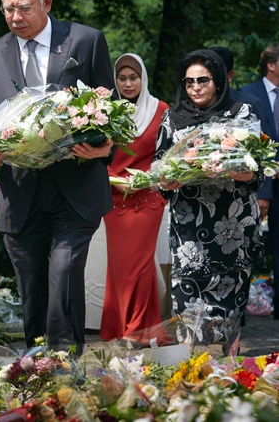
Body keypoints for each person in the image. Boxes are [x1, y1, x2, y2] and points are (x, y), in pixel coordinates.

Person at [0, 0, 115, 353]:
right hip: (20, 194)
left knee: (64, 277)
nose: (14, 18)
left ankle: (66, 366)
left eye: (23, 8)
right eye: (7, 10)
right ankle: (37, 368)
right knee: (32, 291)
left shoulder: (85, 42)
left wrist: (106, 148)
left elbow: (113, 114)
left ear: (46, 3)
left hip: (76, 188)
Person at [156, 49, 265, 354]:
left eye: (202, 80)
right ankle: (188, 361)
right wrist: (166, 181)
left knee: (232, 291)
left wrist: (244, 172)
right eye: (189, 82)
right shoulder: (172, 117)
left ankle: (231, 360)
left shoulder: (241, 112)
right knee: (187, 291)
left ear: (218, 80)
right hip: (188, 223)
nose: (195, 88)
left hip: (233, 221)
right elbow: (159, 169)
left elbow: (258, 169)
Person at [99, 53, 169, 341]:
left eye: (134, 77)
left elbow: (168, 155)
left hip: (148, 199)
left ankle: (139, 329)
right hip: (114, 199)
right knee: (119, 266)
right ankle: (122, 326)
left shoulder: (161, 109)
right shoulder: (106, 112)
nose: (128, 84)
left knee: (141, 265)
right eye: (122, 78)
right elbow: (97, 156)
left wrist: (149, 178)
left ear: (144, 78)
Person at [239, 44, 279, 319]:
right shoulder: (248, 94)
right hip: (258, 184)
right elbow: (249, 146)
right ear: (272, 65)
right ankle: (241, 306)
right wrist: (262, 189)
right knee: (248, 245)